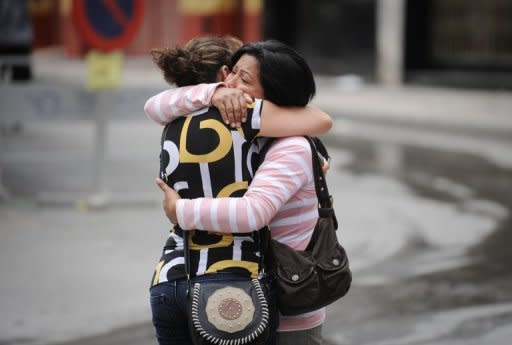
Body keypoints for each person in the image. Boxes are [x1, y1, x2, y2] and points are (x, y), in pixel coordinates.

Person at [146, 37, 331, 345]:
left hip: (180, 279)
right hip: (240, 285)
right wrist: (214, 93)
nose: (229, 83)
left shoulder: (184, 121)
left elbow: (153, 106)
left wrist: (180, 211)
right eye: (228, 74)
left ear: (273, 94)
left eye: (241, 78)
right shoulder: (244, 123)